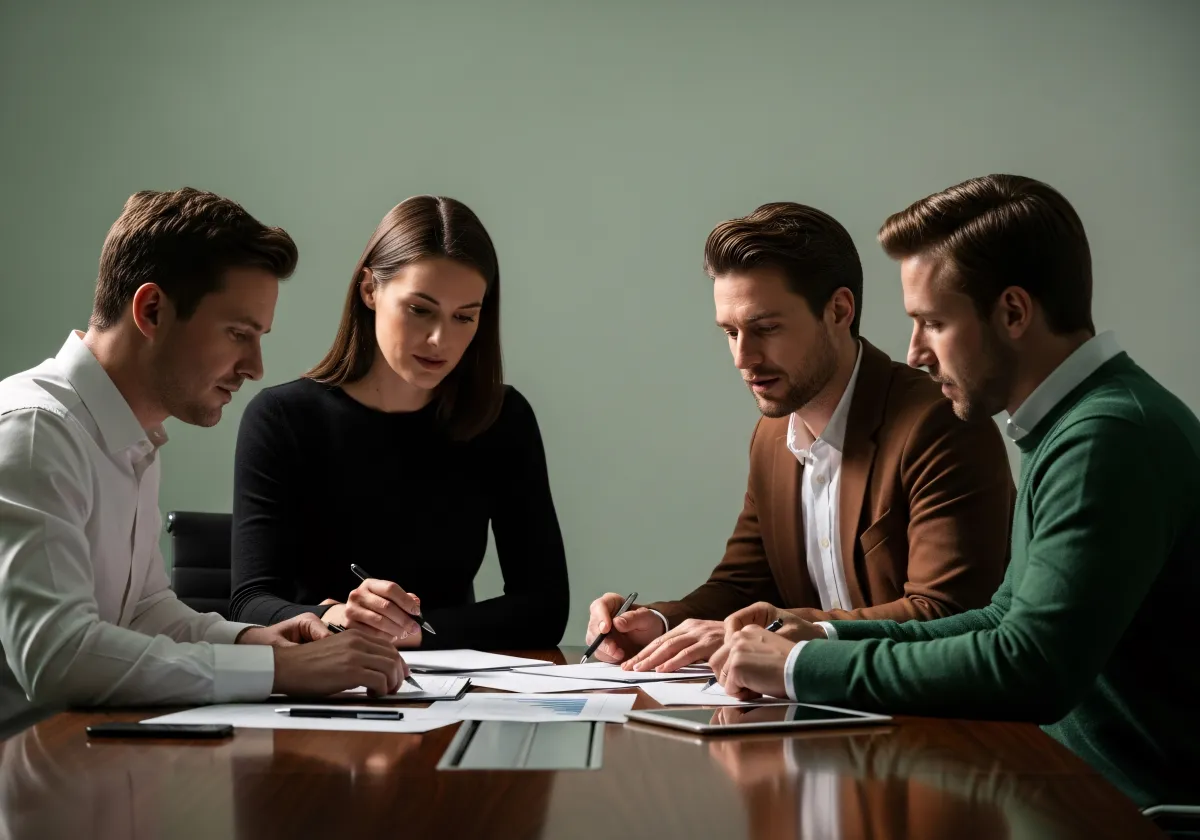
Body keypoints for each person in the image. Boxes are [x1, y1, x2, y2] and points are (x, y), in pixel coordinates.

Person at [711, 174, 1200, 808]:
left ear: (1014, 313)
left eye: (932, 322)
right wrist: (820, 637)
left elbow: (1029, 669)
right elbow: (1003, 619)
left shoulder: (1107, 435)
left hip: (1131, 816)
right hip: (1068, 796)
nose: (914, 352)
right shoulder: (1080, 424)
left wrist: (798, 670)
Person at [0, 188, 408, 721]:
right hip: (28, 781)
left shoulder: (130, 439)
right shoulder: (36, 432)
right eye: (239, 333)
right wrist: (280, 672)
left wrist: (255, 642)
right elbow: (58, 659)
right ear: (151, 310)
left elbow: (142, 612)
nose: (256, 366)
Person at [586, 202, 1014, 672]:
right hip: (822, 717)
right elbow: (744, 585)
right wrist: (655, 624)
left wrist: (770, 633)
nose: (742, 358)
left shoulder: (938, 425)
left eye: (765, 328)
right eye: (730, 332)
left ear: (839, 310)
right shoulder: (772, 436)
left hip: (935, 723)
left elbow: (949, 614)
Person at [229, 195, 569, 650]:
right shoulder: (282, 418)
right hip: (321, 687)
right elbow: (249, 603)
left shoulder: (501, 418)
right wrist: (333, 617)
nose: (439, 339)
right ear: (370, 290)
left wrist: (411, 633)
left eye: (464, 317)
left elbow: (544, 608)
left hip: (456, 696)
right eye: (420, 309)